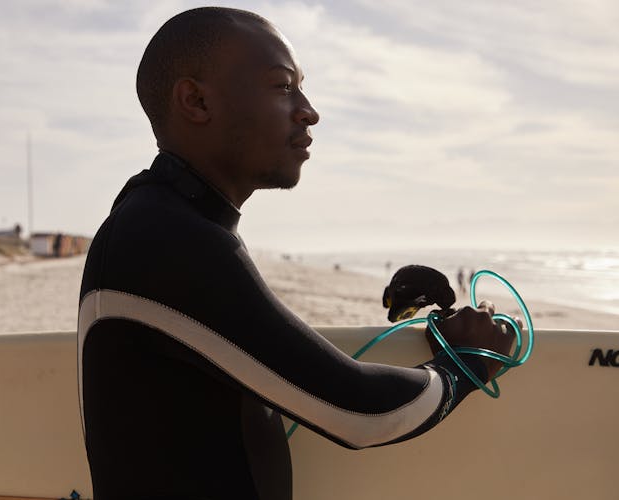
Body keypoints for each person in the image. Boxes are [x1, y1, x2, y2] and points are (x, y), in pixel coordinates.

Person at [78, 7, 514, 500]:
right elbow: (362, 414)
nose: (309, 110)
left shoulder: (165, 219)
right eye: (283, 86)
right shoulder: (165, 238)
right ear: (196, 101)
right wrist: (468, 365)